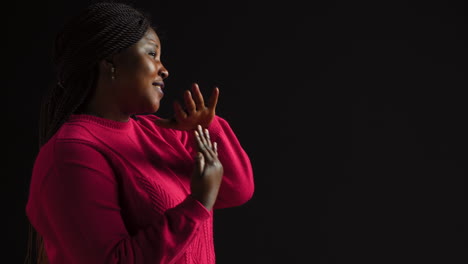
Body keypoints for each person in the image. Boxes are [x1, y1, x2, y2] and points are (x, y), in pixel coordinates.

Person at [24, 2, 254, 264]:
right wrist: (198, 203)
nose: (164, 69)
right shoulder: (73, 152)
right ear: (110, 61)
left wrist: (205, 128)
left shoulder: (161, 134)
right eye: (152, 54)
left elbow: (236, 190)